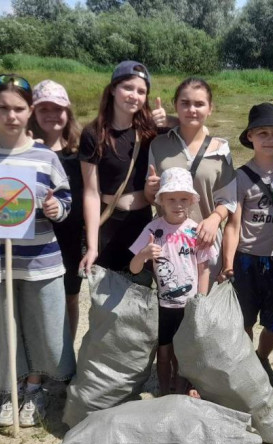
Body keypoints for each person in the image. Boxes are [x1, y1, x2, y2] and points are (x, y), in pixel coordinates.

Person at [0, 74, 75, 428]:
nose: (11, 116)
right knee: (3, 328)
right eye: (2, 108)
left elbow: (64, 199)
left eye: (19, 109)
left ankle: (35, 391)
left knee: (43, 328)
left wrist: (56, 208)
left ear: (30, 111)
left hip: (40, 260)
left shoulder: (44, 157)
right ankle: (11, 393)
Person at [219, 103, 273, 386]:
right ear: (250, 137)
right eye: (263, 133)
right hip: (247, 259)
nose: (270, 139)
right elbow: (233, 225)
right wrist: (228, 264)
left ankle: (261, 356)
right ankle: (247, 363)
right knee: (243, 320)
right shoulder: (240, 177)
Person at [78, 61, 173, 284]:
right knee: (106, 295)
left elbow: (197, 129)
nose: (134, 96)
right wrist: (92, 246)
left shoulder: (149, 129)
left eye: (141, 91)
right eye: (128, 88)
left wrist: (170, 120)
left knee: (141, 292)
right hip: (108, 223)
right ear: (113, 89)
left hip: (142, 223)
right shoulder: (94, 134)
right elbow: (91, 193)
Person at [129, 167, 213, 397]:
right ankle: (165, 391)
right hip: (163, 306)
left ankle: (182, 389)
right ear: (161, 201)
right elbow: (134, 269)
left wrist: (200, 302)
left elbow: (204, 269)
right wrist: (144, 254)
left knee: (184, 352)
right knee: (164, 352)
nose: (178, 205)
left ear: (192, 201)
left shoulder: (196, 231)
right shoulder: (153, 229)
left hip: (189, 305)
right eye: (171, 199)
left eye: (183, 199)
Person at [145, 77, 236, 283]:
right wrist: (149, 190)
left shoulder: (221, 149)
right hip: (168, 243)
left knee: (204, 301)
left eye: (199, 104)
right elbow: (152, 198)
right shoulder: (158, 145)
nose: (192, 110)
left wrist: (214, 219)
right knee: (170, 299)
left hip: (206, 242)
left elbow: (228, 199)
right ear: (175, 105)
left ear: (210, 108)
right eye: (185, 103)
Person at [28, 79, 84, 344]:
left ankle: (65, 355)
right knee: (37, 300)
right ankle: (39, 356)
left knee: (70, 297)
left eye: (58, 108)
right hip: (35, 238)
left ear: (68, 112)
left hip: (71, 238)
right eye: (44, 109)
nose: (51, 114)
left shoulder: (79, 150)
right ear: (33, 113)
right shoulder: (22, 150)